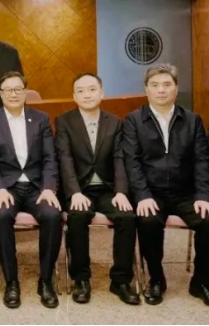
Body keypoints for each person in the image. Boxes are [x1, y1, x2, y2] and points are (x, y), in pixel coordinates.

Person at [123, 63, 209, 310]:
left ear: (176, 89)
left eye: (167, 85)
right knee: (147, 220)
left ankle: (202, 282)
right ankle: (156, 278)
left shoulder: (192, 120)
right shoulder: (133, 120)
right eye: (155, 85)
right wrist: (142, 195)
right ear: (146, 89)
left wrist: (204, 196)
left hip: (186, 193)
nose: (161, 90)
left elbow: (202, 160)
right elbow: (132, 162)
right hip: (151, 193)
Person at [55, 73, 139, 305]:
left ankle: (120, 280)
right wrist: (74, 192)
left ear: (102, 93)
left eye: (92, 89)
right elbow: (64, 159)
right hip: (79, 189)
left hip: (108, 189)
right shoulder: (64, 121)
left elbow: (119, 158)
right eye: (81, 91)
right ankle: (81, 279)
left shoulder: (115, 122)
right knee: (78, 215)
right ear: (74, 96)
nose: (87, 95)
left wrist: (121, 192)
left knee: (127, 216)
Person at [0, 71, 62, 309]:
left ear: (25, 91)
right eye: (8, 90)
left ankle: (46, 281)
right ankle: (11, 282)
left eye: (18, 89)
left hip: (37, 186)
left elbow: (50, 157)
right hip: (7, 187)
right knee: (1, 216)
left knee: (53, 215)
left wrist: (49, 188)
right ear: (0, 94)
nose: (13, 94)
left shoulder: (41, 119)